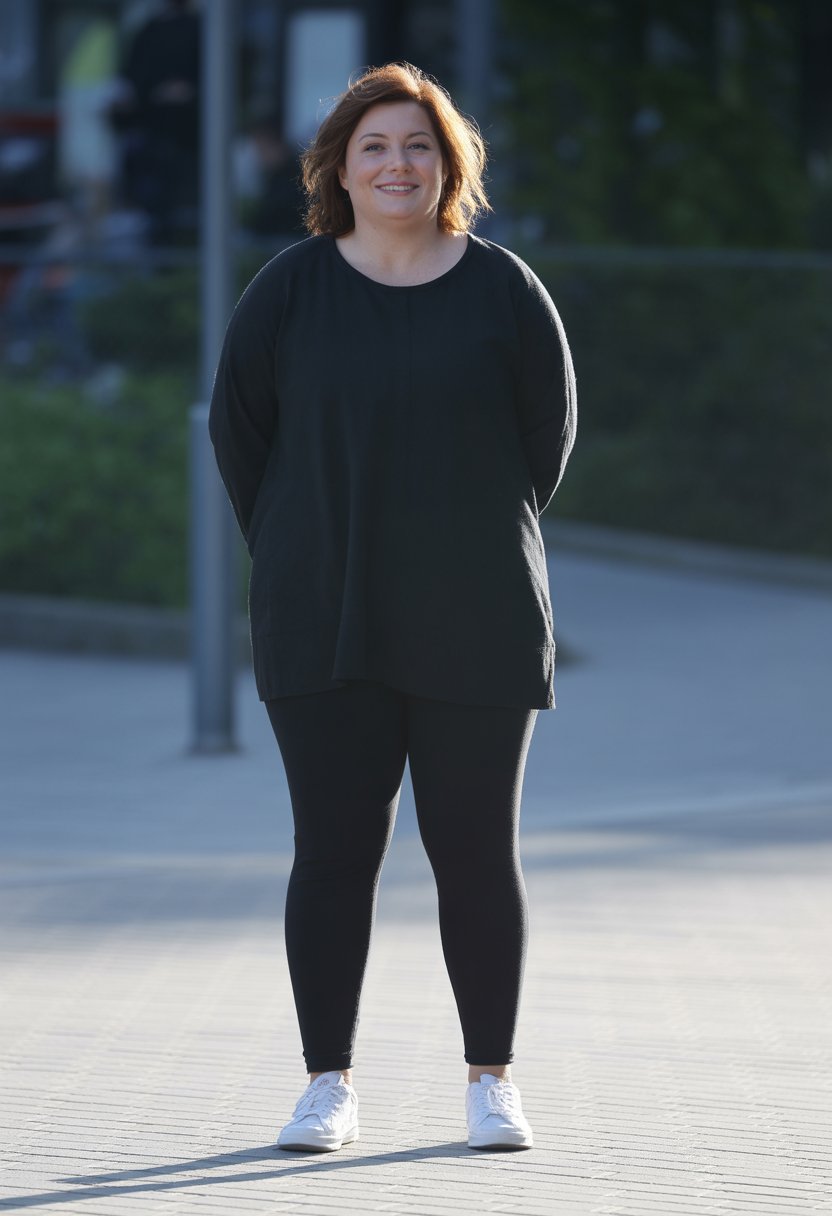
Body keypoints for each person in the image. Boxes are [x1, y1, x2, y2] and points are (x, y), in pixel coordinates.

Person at [208, 61, 577, 1154]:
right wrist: (299, 544)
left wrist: (460, 531)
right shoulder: (288, 289)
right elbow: (240, 434)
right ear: (339, 169)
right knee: (333, 853)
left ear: (448, 165)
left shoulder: (505, 289)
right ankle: (326, 1084)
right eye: (373, 146)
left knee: (475, 852)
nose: (396, 164)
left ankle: (491, 1081)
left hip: (479, 610)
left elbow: (546, 443)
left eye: (418, 144)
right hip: (322, 610)